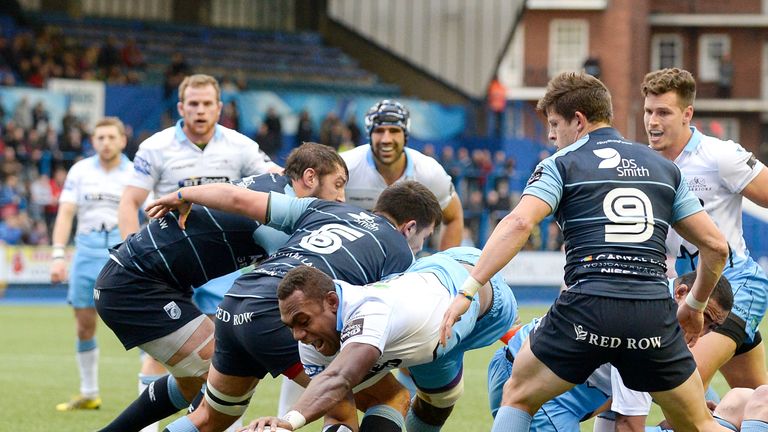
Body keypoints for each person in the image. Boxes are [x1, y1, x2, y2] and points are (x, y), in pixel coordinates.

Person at [439, 71, 730, 432]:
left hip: (586, 307)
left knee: (517, 394)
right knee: (700, 423)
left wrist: (468, 291)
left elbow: (517, 224)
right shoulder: (665, 168)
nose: (550, 136)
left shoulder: (560, 164)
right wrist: (697, 307)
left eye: (554, 124)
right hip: (651, 313)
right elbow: (717, 247)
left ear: (578, 121)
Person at [146, 180, 443, 432]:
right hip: (288, 313)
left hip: (237, 300)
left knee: (211, 418)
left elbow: (237, 197)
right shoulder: (401, 254)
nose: (419, 246)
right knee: (385, 398)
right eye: (425, 238)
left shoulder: (326, 208)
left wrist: (184, 194)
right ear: (410, 227)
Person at [95, 143, 347, 432]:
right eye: (337, 185)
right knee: (223, 373)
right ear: (310, 178)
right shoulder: (278, 216)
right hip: (133, 285)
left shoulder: (272, 188)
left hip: (142, 280)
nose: (340, 198)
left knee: (194, 383)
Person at [117, 73, 278, 432]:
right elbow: (130, 201)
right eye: (193, 104)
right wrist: (135, 256)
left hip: (222, 270)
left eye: (208, 104)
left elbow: (274, 181)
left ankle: (213, 423)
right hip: (169, 269)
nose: (201, 111)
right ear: (180, 107)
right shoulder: (156, 147)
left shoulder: (240, 146)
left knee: (219, 359)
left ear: (220, 108)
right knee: (161, 357)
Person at [242, 246, 518, 432]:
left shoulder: (370, 309)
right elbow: (339, 415)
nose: (298, 336)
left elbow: (339, 378)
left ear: (332, 302)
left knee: (518, 383)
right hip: (432, 343)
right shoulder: (315, 344)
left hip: (482, 295)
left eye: (303, 322)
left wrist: (286, 422)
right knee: (436, 404)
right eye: (290, 326)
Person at [642, 68, 768, 392]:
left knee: (681, 381)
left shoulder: (720, 155)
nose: (652, 122)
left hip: (736, 284)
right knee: (756, 401)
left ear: (687, 114)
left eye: (663, 113)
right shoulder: (643, 167)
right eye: (648, 111)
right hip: (691, 289)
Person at [486, 271, 733, 431]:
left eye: (712, 327)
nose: (701, 331)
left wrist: (691, 406)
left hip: (518, 360)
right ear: (681, 293)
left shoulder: (649, 290)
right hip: (545, 391)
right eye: (705, 317)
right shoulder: (653, 324)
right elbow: (628, 425)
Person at [50, 117, 132, 411]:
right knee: (84, 326)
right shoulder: (80, 171)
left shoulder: (136, 172)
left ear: (123, 140)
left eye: (111, 137)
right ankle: (89, 392)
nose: (106, 142)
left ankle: (154, 389)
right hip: (85, 251)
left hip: (122, 253)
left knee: (141, 323)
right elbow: (65, 213)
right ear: (93, 141)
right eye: (100, 137)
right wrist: (58, 255)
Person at [340, 99, 464, 251]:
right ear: (369, 135)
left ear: (405, 135)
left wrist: (446, 266)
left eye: (394, 131)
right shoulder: (345, 167)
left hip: (406, 268)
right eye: (379, 131)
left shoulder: (429, 172)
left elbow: (454, 217)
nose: (386, 139)